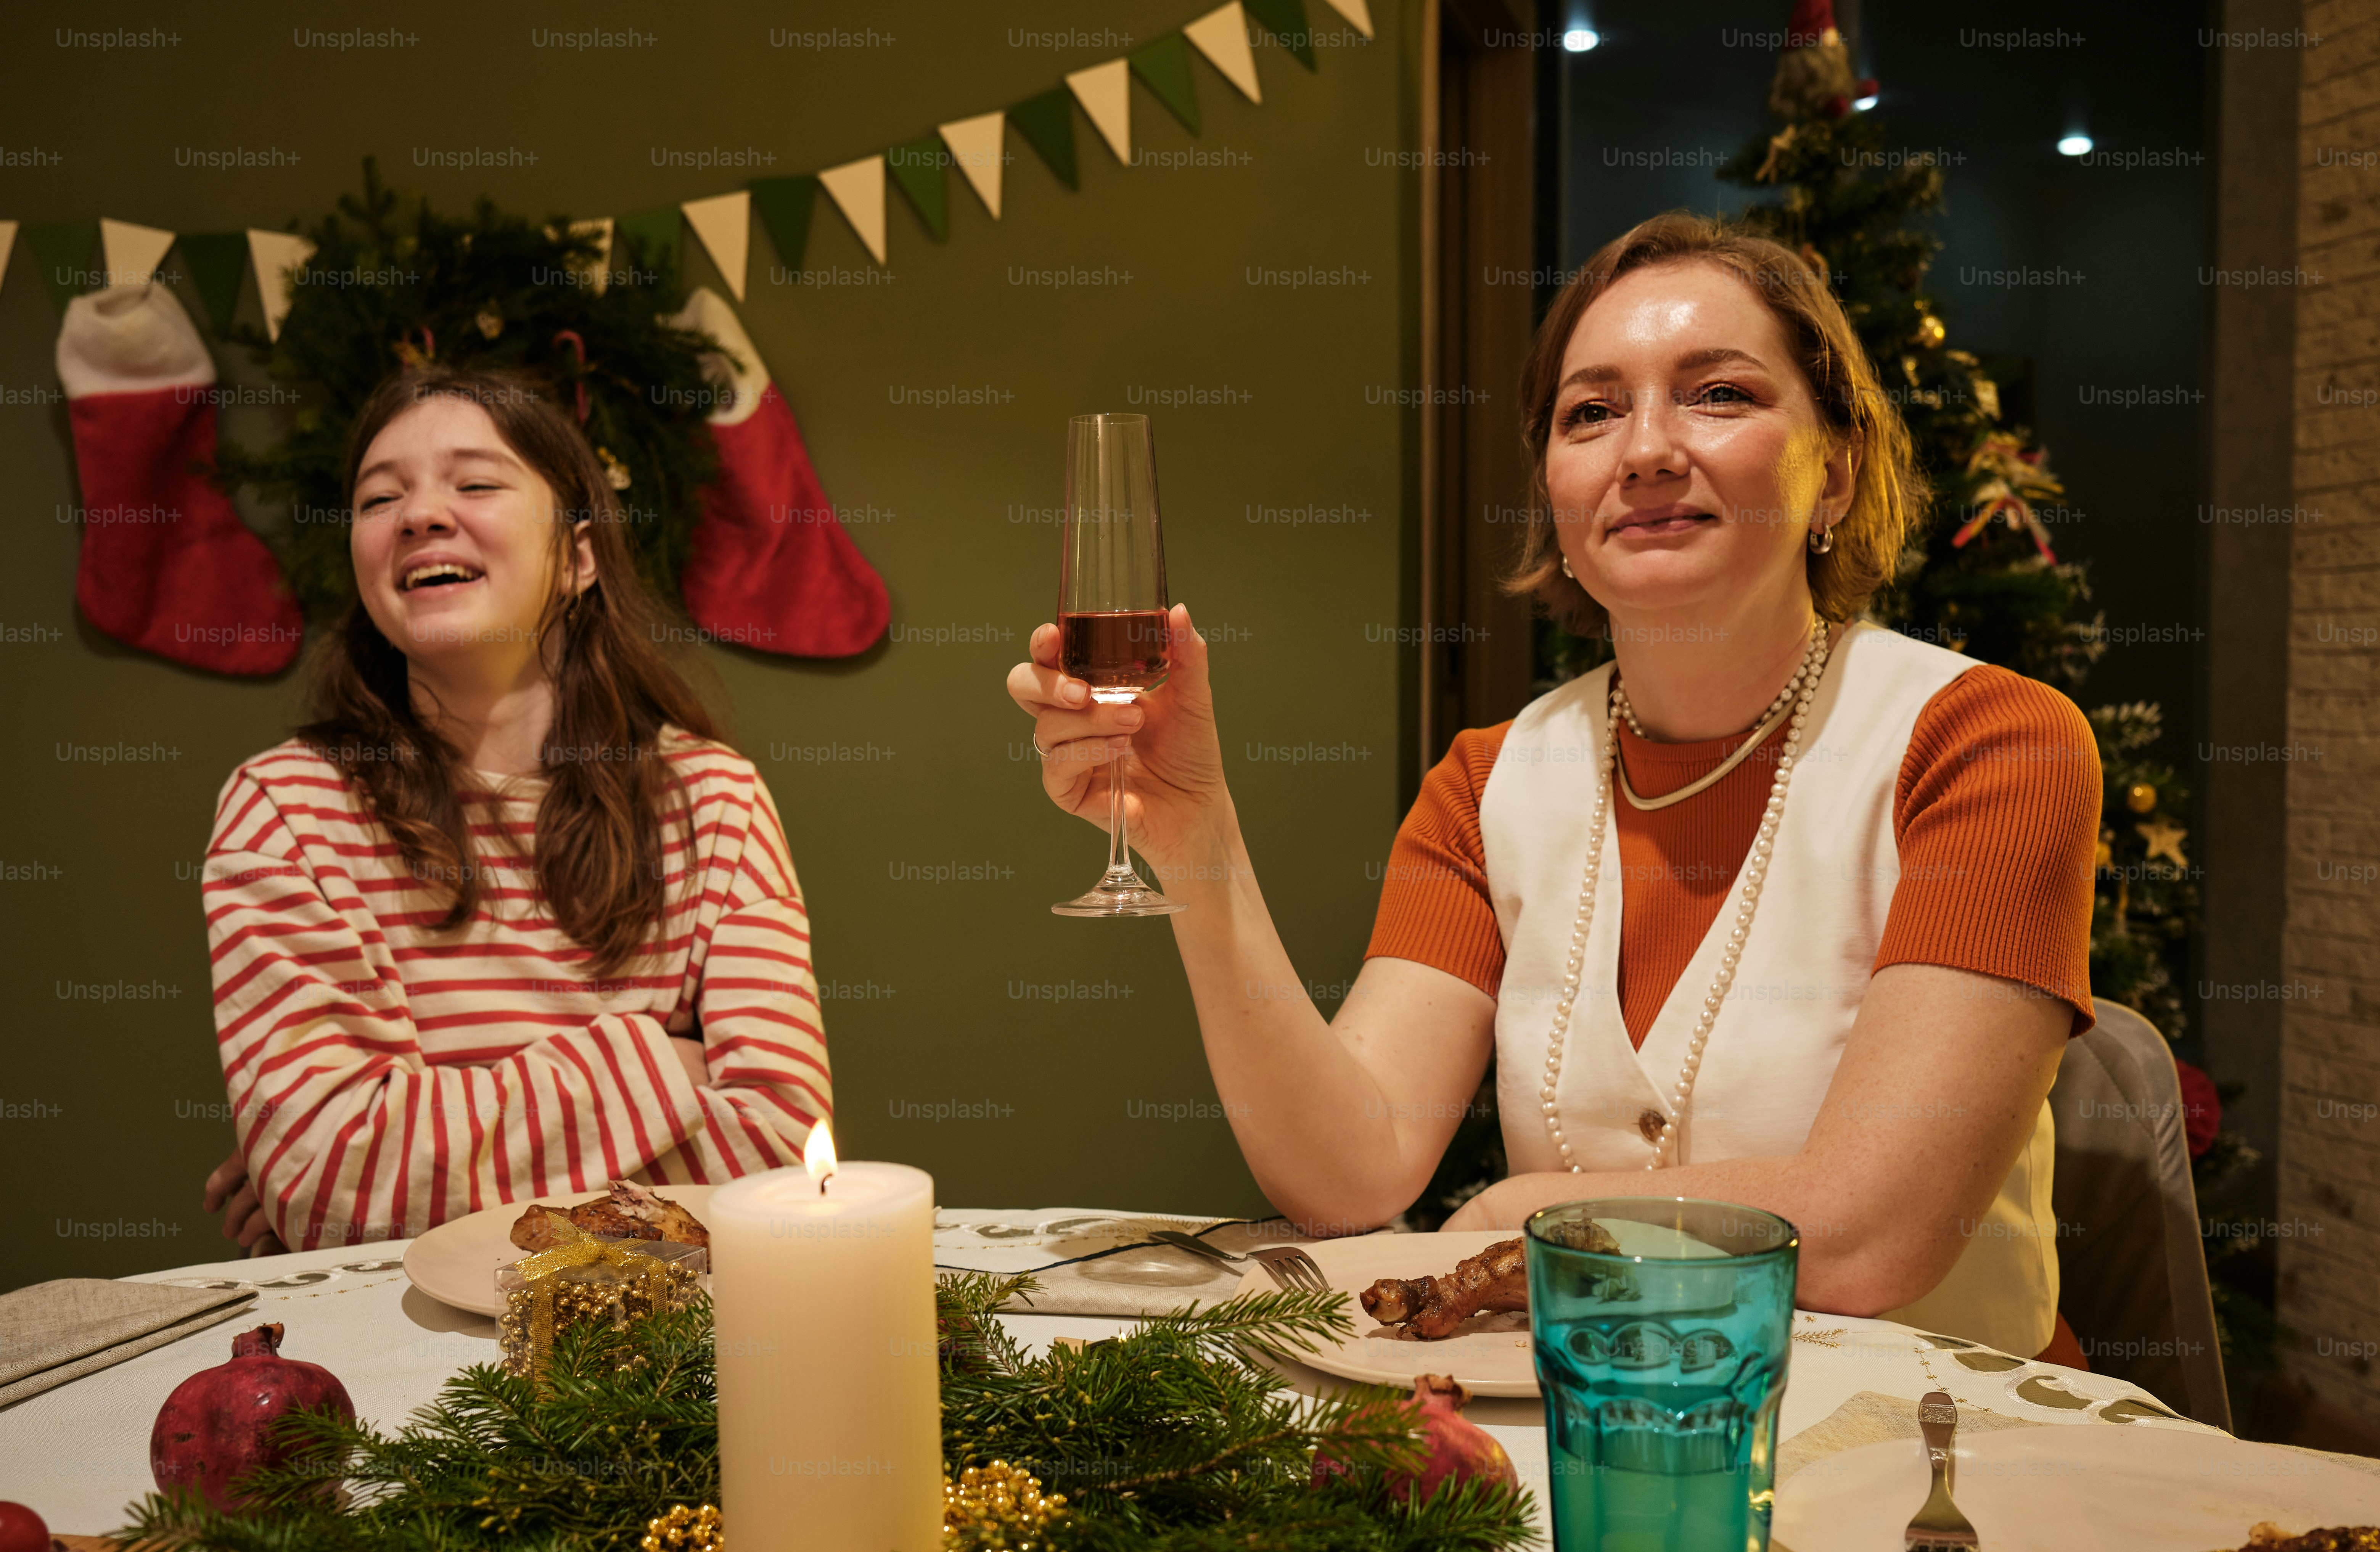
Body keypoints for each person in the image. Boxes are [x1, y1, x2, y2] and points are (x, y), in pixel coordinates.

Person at [1007, 212, 2100, 1364]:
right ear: (1557, 498)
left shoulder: (1992, 745)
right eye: (1592, 411)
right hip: (1574, 1438)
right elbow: (1350, 1168)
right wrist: (1194, 834)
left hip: (1931, 1467)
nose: (1647, 450)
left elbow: (1873, 1235)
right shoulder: (1487, 783)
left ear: (1836, 471)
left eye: (1718, 394)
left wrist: (1511, 1218)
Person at [201, 366, 829, 1256]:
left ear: (577, 557)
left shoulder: (712, 800)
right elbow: (336, 1182)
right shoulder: (287, 812)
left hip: (677, 1350)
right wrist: (664, 1067)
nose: (419, 514)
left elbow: (780, 1154)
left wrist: (418, 1165)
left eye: (476, 482)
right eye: (381, 498)